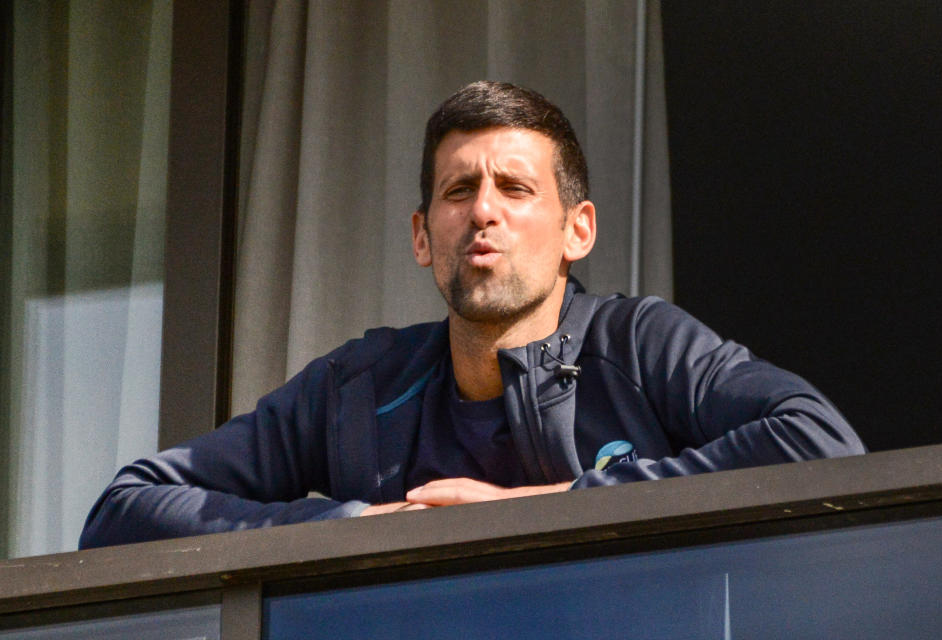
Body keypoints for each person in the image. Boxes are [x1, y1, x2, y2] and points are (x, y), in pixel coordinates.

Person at [79, 81, 864, 549]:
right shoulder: (359, 385)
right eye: (458, 191)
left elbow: (818, 440)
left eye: (515, 189)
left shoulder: (638, 343)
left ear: (576, 230)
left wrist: (536, 509)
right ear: (424, 236)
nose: (483, 211)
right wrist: (357, 524)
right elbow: (127, 508)